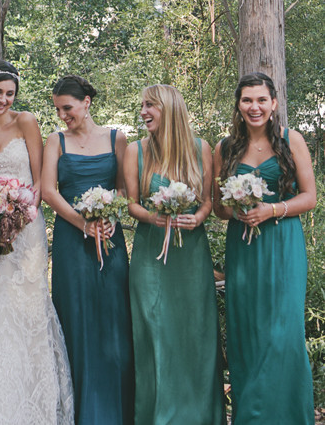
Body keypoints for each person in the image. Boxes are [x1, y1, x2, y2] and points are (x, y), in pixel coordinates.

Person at [0, 59, 74, 425]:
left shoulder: (27, 122)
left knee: (30, 308)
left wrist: (20, 215)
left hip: (27, 230)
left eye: (10, 93)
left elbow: (39, 181)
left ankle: (38, 408)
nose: (4, 100)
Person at [213, 71, 316, 425]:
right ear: (238, 105)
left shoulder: (292, 140)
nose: (254, 107)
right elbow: (219, 209)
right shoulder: (225, 148)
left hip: (283, 245)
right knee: (247, 333)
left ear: (274, 103)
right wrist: (237, 206)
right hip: (243, 249)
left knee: (283, 333)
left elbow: (310, 198)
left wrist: (271, 209)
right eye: (247, 100)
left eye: (261, 100)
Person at [124, 83, 225, 425]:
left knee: (194, 334)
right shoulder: (136, 151)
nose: (143, 112)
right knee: (155, 334)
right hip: (151, 257)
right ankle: (157, 416)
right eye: (142, 106)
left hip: (192, 258)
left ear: (169, 108)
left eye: (150, 105)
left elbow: (210, 200)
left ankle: (199, 415)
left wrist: (198, 217)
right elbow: (131, 204)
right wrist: (157, 217)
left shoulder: (201, 149)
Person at [42, 75, 134, 425]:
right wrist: (82, 223)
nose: (63, 115)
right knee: (76, 319)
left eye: (67, 108)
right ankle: (81, 413)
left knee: (114, 320)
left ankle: (117, 412)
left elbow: (125, 190)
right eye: (58, 109)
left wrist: (110, 217)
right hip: (70, 240)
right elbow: (49, 191)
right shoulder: (56, 141)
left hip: (110, 238)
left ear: (86, 102)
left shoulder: (116, 138)